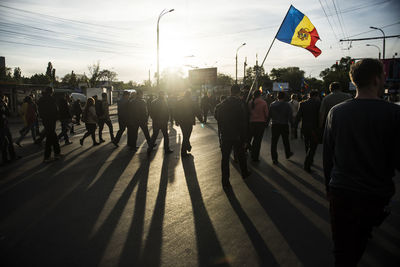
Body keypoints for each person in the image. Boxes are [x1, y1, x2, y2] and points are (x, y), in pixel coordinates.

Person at [323, 58, 400, 267]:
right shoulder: (393, 113)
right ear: (376, 80)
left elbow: (328, 155)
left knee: (342, 250)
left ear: (354, 80)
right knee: (360, 238)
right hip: (375, 194)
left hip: (341, 192)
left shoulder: (336, 112)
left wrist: (328, 187)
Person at [215, 84, 251, 189]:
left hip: (225, 134)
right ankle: (244, 173)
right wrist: (245, 138)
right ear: (238, 92)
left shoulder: (221, 105)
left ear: (230, 92)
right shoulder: (241, 104)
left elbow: (217, 116)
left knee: (225, 159)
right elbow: (244, 122)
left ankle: (225, 181)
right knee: (241, 155)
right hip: (237, 135)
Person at [295, 90, 321, 172]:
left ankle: (309, 160)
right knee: (313, 147)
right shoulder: (318, 104)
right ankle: (307, 164)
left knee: (307, 144)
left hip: (305, 128)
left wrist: (294, 127)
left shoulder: (302, 103)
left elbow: (298, 116)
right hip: (314, 128)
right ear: (315, 96)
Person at [175, 90, 203, 157]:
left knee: (185, 135)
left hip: (182, 122)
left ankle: (187, 148)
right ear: (189, 95)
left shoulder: (179, 102)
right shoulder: (192, 102)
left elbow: (175, 112)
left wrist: (176, 121)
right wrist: (201, 120)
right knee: (186, 136)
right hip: (189, 121)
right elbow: (197, 111)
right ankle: (184, 151)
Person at [37, 87, 62, 162]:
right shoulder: (51, 99)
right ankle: (47, 157)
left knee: (53, 136)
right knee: (50, 137)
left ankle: (57, 153)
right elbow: (55, 110)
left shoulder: (41, 99)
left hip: (45, 120)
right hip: (51, 119)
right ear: (51, 92)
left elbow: (39, 110)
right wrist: (57, 116)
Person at [269, 91, 294, 164]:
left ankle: (274, 158)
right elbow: (290, 116)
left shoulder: (272, 104)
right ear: (284, 97)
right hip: (284, 125)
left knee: (274, 142)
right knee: (286, 141)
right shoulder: (287, 105)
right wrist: (292, 125)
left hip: (274, 125)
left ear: (277, 97)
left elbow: (269, 115)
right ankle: (287, 154)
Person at [248, 90, 269, 162]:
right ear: (260, 95)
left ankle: (249, 151)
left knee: (250, 139)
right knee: (257, 140)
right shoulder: (263, 102)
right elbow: (266, 114)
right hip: (260, 124)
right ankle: (255, 156)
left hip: (251, 123)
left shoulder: (250, 102)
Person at [0, 93, 20, 165]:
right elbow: (8, 113)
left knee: (9, 142)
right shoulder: (2, 105)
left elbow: (8, 113)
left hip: (5, 125)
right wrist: (4, 105)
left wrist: (5, 105)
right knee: (5, 143)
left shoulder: (3, 105)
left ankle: (12, 156)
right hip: (2, 127)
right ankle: (5, 159)